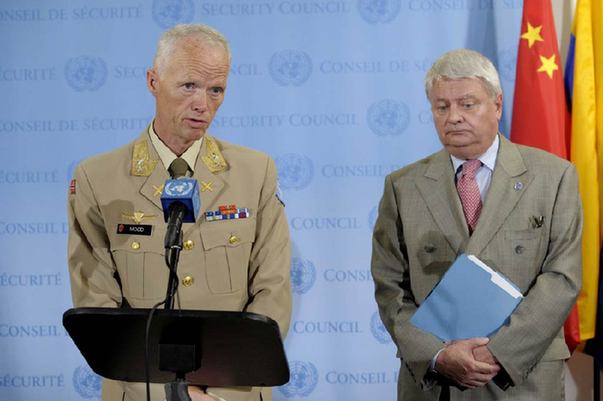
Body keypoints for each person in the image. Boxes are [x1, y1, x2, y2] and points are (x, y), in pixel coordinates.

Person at [68, 24, 291, 401]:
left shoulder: (256, 173)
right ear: (153, 81)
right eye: (189, 86)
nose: (203, 103)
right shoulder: (97, 179)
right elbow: (98, 312)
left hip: (233, 392)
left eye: (215, 90)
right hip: (138, 393)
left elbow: (273, 292)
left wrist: (212, 390)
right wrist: (169, 390)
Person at [371, 48, 582, 401]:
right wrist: (437, 354)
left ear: (497, 105)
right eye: (442, 107)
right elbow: (390, 284)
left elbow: (562, 278)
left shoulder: (554, 176)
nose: (453, 117)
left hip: (521, 378)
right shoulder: (402, 186)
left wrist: (496, 352)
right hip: (436, 382)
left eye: (467, 104)